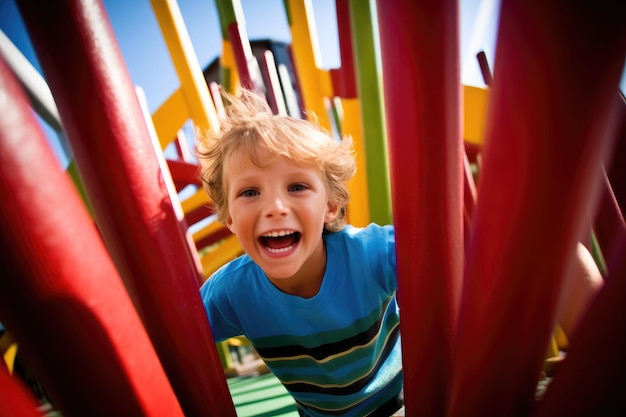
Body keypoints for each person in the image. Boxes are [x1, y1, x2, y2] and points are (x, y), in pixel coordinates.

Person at [197, 88, 403, 417]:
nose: (275, 207)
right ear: (230, 219)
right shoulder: (232, 293)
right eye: (250, 192)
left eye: (297, 187)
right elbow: (172, 343)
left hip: (401, 403)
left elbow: (446, 264)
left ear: (331, 206)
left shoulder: (370, 255)